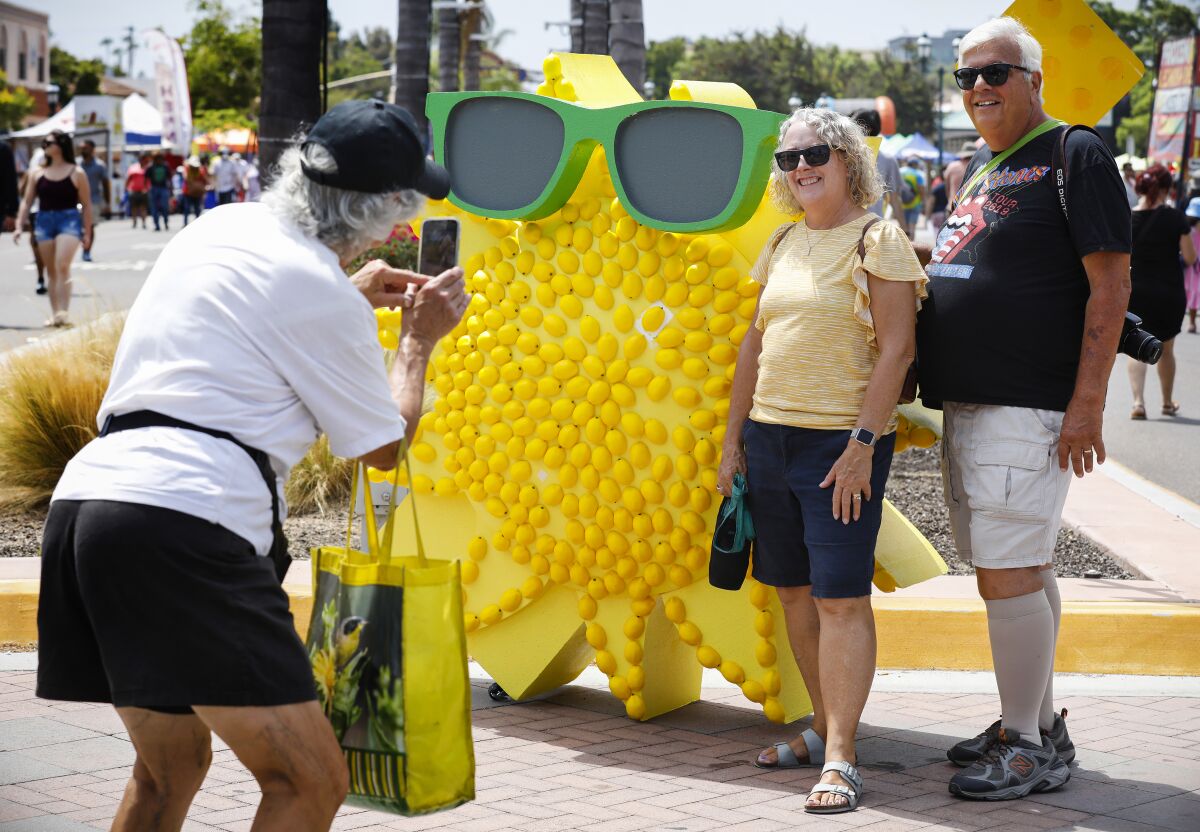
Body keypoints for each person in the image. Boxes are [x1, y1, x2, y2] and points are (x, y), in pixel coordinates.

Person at [36, 100, 466, 832]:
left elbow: (247, 316)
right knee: (310, 781)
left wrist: (346, 294)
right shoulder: (322, 294)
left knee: (167, 772)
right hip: (183, 526)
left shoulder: (223, 225)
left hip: (89, 507)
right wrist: (418, 342)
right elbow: (383, 446)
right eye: (404, 208)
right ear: (380, 212)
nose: (403, 227)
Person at [919, 17, 1131, 801]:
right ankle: (1035, 726)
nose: (979, 88)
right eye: (967, 76)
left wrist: (1087, 404)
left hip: (1027, 404)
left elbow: (1111, 285)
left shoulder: (1074, 153)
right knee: (1017, 568)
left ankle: (1023, 746)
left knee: (1007, 575)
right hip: (975, 404)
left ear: (1034, 78)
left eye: (996, 73)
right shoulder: (985, 163)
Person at [720, 108, 927, 814]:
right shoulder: (780, 241)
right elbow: (754, 347)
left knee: (841, 597)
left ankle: (841, 757)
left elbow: (897, 350)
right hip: (770, 440)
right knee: (794, 593)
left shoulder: (878, 238)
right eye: (789, 159)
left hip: (841, 444)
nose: (801, 168)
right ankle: (820, 727)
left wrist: (863, 448)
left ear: (846, 160)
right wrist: (732, 444)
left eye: (814, 154)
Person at [1127, 165, 1194, 418]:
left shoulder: (1128, 218)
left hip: (1136, 291)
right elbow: (1189, 256)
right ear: (1166, 189)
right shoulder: (1176, 218)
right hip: (1169, 292)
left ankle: (1137, 403)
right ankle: (1166, 402)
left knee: (1135, 344)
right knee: (1166, 348)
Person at [14, 130, 93, 328]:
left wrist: (88, 232)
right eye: (44, 143)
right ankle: (55, 314)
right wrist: (18, 225)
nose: (45, 146)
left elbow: (87, 204)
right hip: (44, 221)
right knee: (51, 271)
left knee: (62, 265)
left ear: (61, 145)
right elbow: (27, 201)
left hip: (69, 220)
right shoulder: (37, 173)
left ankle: (64, 313)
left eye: (48, 142)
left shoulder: (77, 172)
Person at [852, 108, 904, 223]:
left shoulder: (888, 160)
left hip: (871, 226)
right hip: (869, 225)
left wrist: (905, 232)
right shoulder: (844, 156)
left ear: (865, 129)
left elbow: (894, 198)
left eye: (853, 127)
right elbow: (894, 199)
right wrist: (905, 229)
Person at [78, 140, 111, 262]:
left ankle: (86, 251)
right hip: (77, 201)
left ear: (92, 149)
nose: (83, 150)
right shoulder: (76, 164)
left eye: (85, 148)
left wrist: (107, 203)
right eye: (81, 148)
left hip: (93, 201)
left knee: (89, 226)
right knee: (78, 226)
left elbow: (106, 184)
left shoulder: (99, 165)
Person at [898, 156, 926, 239]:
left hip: (901, 203)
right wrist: (923, 202)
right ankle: (912, 247)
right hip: (915, 203)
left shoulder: (900, 172)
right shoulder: (918, 174)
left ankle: (904, 246)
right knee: (912, 227)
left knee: (903, 227)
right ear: (916, 165)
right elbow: (921, 190)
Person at [146, 151, 173, 231]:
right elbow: (146, 177)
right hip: (154, 188)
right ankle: (157, 224)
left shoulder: (165, 166)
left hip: (163, 188)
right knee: (154, 208)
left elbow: (169, 177)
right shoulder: (151, 167)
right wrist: (146, 188)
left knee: (164, 207)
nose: (159, 160)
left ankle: (165, 222)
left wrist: (171, 188)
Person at [181, 155, 208, 225]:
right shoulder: (187, 169)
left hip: (197, 193)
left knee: (197, 209)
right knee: (187, 209)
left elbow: (204, 180)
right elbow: (186, 178)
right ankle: (185, 223)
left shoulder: (200, 170)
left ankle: (196, 224)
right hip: (188, 192)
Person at [125, 154, 150, 229]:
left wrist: (147, 189)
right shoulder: (133, 167)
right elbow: (129, 179)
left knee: (143, 207)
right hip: (134, 190)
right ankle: (134, 222)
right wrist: (126, 188)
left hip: (144, 191)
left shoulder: (148, 168)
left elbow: (149, 180)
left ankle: (144, 222)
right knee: (134, 207)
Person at [1187, 197, 1200, 334]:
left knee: (1195, 293)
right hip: (1189, 266)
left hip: (1196, 268)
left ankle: (1192, 322)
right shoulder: (1188, 230)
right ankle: (1191, 322)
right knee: (1192, 292)